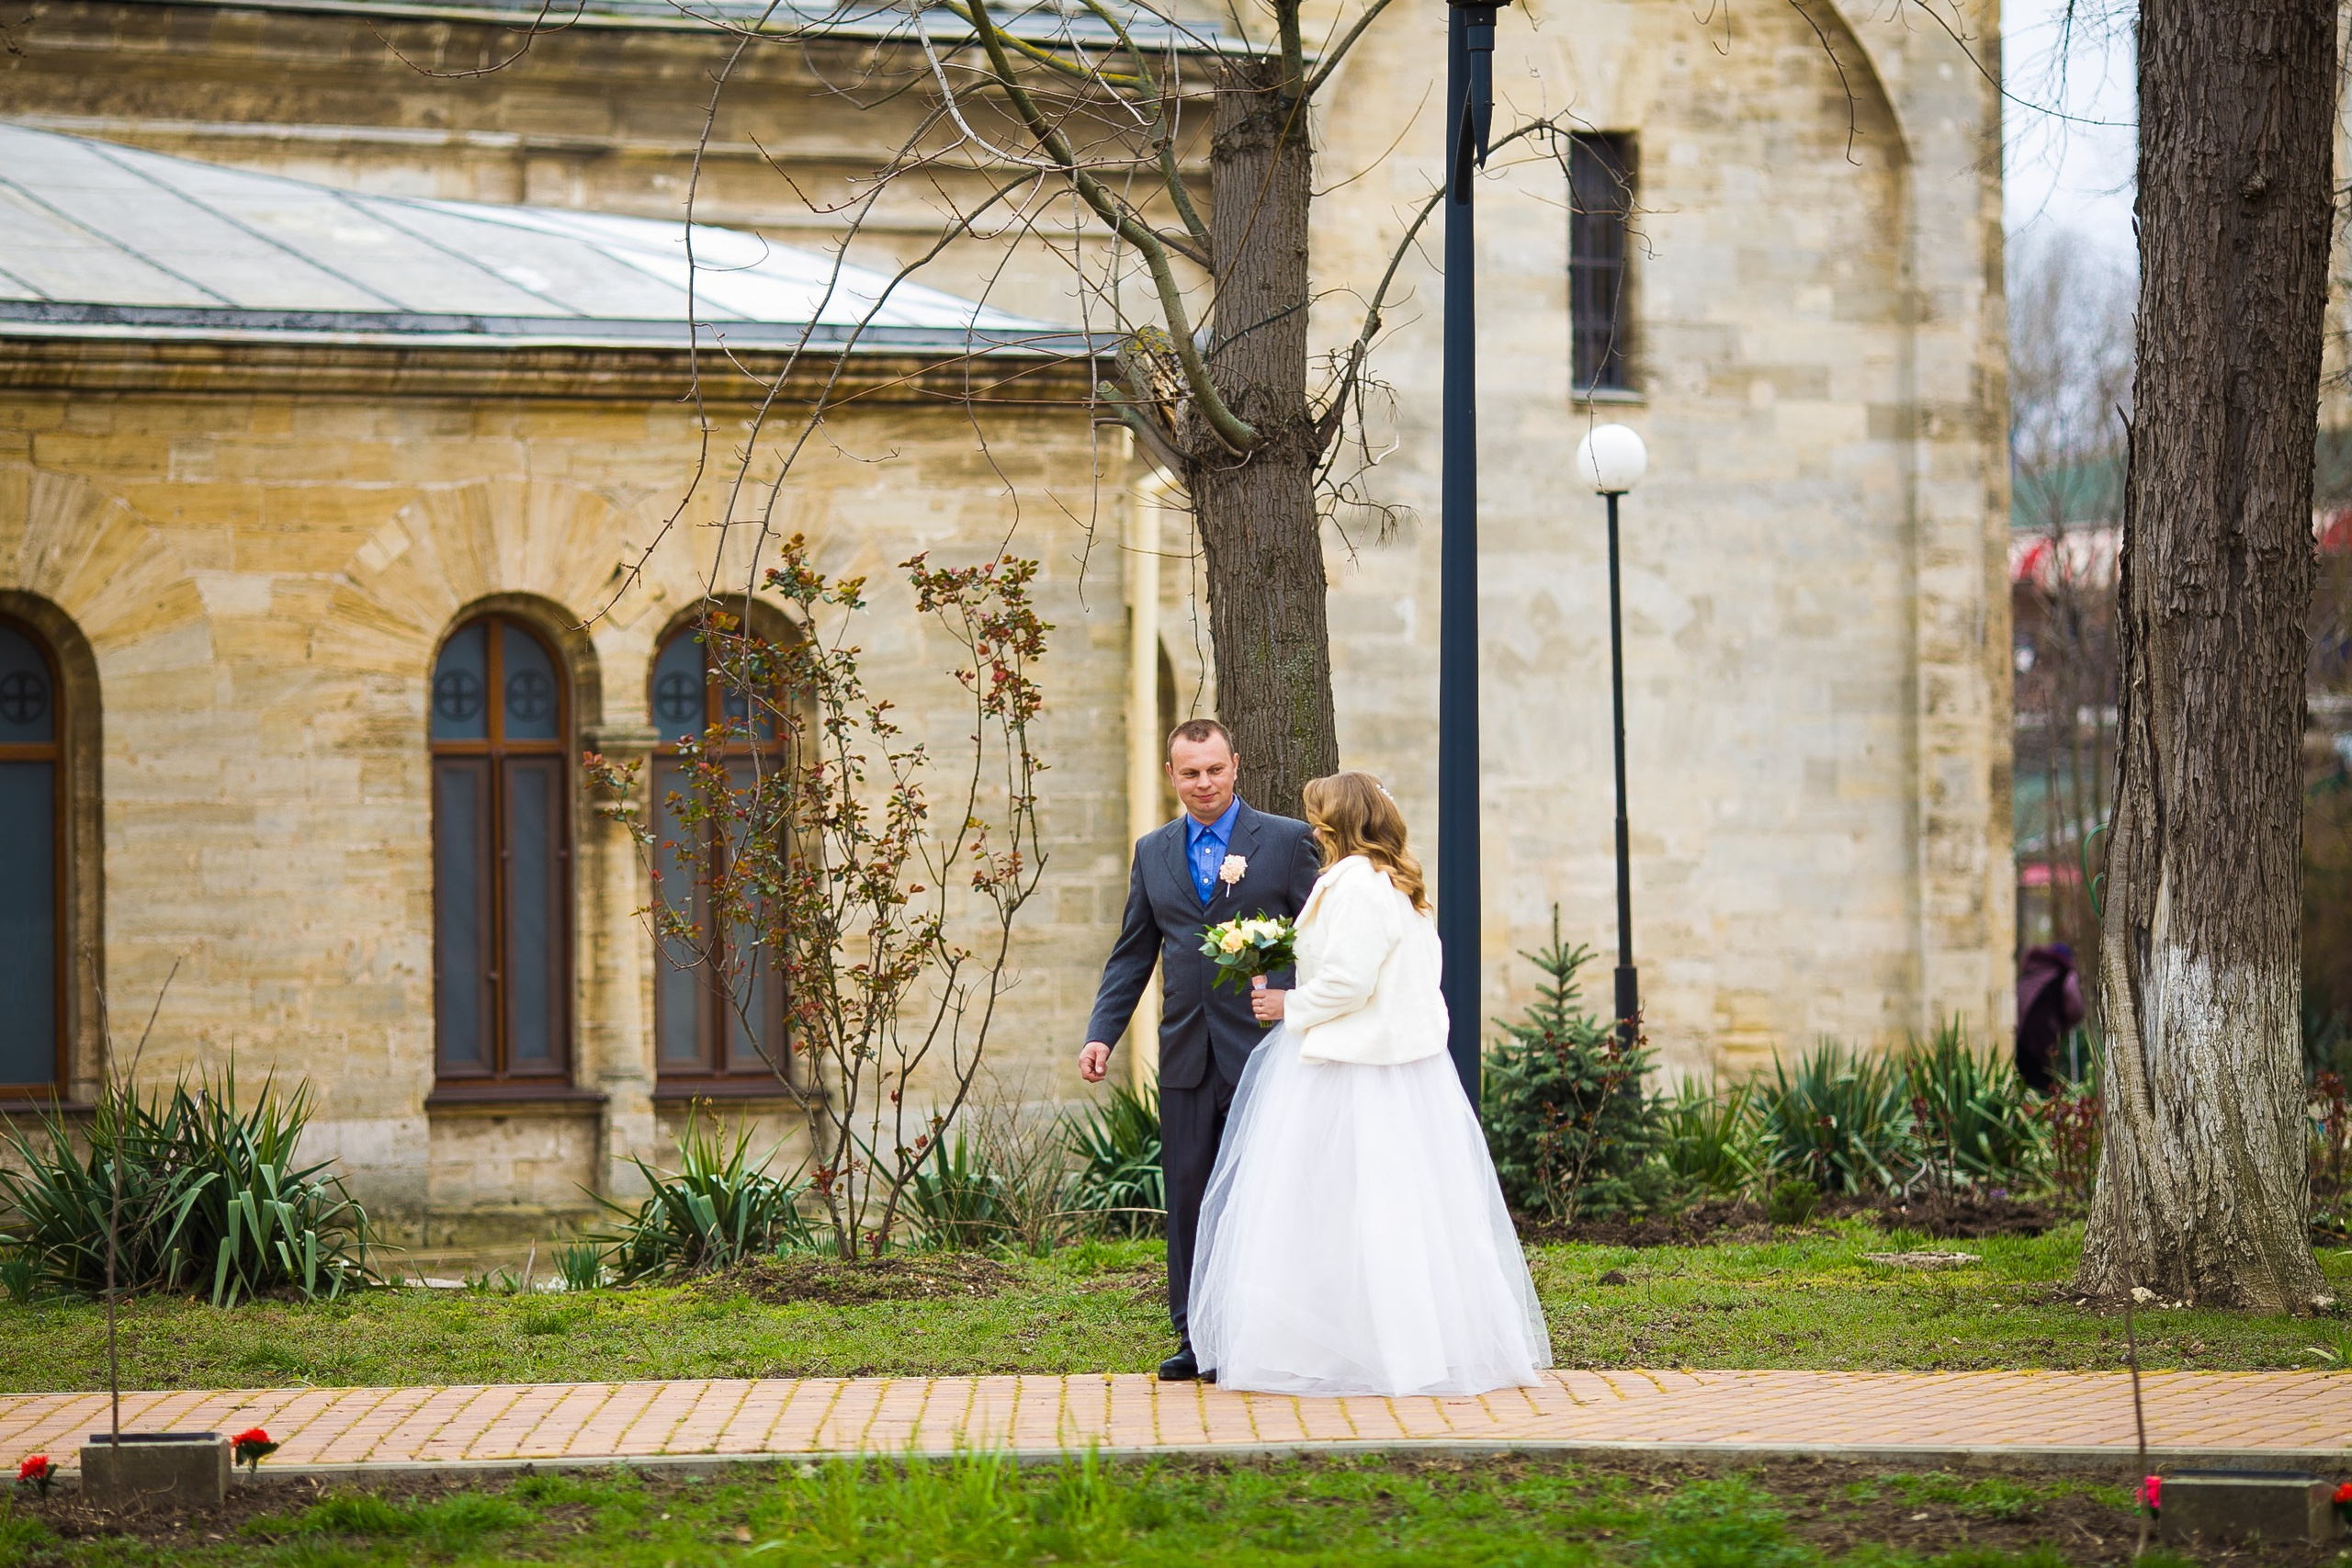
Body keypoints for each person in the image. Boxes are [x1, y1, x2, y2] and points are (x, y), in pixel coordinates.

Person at [1186, 771, 1552, 1397]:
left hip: (1353, 1070)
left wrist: (1286, 1005)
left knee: (1345, 1209)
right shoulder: (1399, 885)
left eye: (1317, 815)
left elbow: (1349, 982)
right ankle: (1393, 1344)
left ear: (1336, 822)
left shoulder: (1356, 886)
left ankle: (1370, 1350)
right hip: (1395, 1066)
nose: (1311, 825)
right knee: (1397, 1211)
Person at [1078, 718, 1320, 1382]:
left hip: (1265, 1053)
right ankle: (1195, 1337)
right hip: (1185, 1051)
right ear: (1172, 775)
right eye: (1191, 772)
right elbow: (1133, 953)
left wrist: (1286, 991)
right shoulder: (1153, 851)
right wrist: (1103, 1031)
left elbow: (1320, 939)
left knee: (1264, 1192)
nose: (1204, 783)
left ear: (1235, 765)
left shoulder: (1287, 841)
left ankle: (1268, 1330)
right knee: (1186, 1194)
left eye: (1214, 769)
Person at [2014, 942, 2086, 1094]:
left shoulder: (2030, 973)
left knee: (2026, 1086)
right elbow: (2076, 1009)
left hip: (2022, 1039)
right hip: (2046, 1037)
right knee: (2045, 1085)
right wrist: (2065, 1024)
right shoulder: (2065, 974)